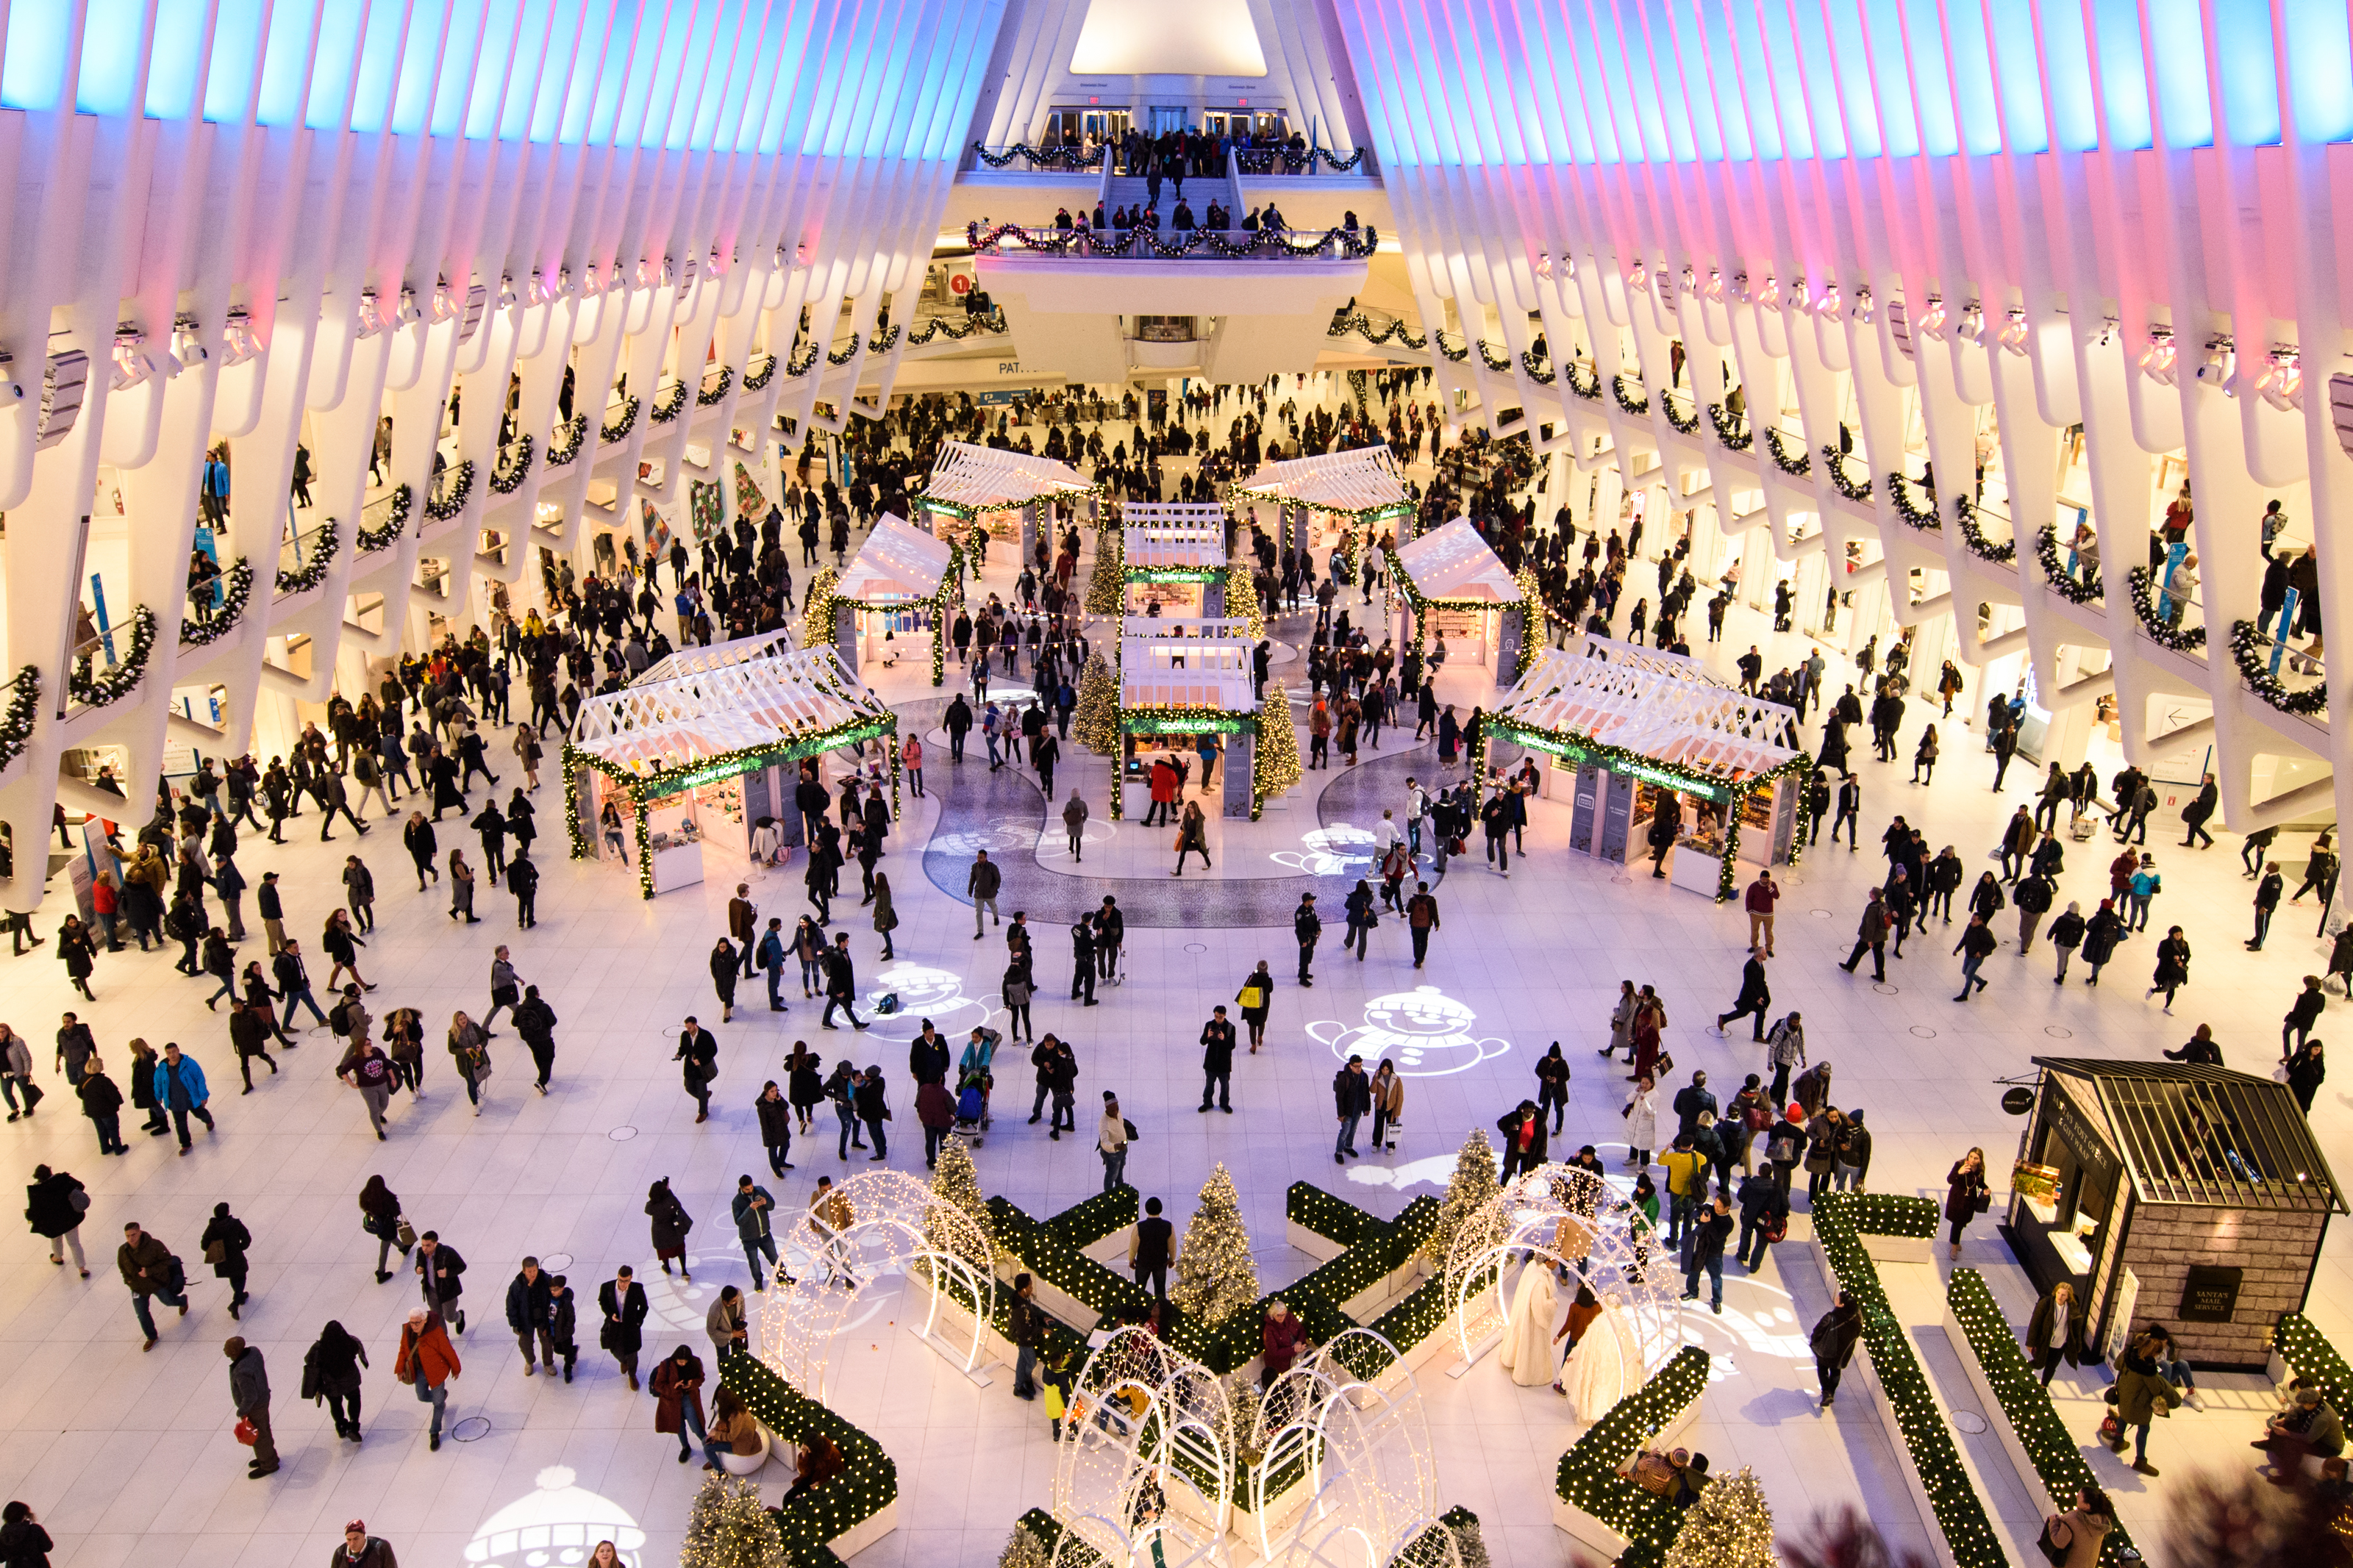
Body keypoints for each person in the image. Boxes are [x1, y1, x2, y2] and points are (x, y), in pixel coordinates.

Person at [2108, 1329, 2181, 1475]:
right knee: (2143, 1429)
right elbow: (2156, 1390)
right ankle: (2140, 1461)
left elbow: (2117, 1365)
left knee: (2123, 1417)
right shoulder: (2148, 1370)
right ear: (2153, 1353)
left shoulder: (2129, 1355)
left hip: (2123, 1397)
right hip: (2138, 1406)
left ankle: (2118, 1441)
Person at [393, 1306, 462, 1451]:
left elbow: (448, 1352)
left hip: (436, 1372)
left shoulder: (436, 1333)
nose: (414, 1326)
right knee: (422, 1395)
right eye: (412, 1323)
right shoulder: (407, 1332)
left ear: (424, 1321)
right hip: (419, 1372)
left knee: (437, 1404)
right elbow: (403, 1350)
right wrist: (400, 1369)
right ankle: (441, 1396)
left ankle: (434, 1432)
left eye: (417, 1323)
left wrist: (456, 1369)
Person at [225, 1336, 279, 1478]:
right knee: (265, 1430)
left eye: (227, 1349)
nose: (224, 1351)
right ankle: (269, 1457)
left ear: (235, 1352)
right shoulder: (254, 1352)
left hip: (255, 1407)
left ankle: (268, 1465)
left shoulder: (241, 1372)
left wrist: (241, 1411)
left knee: (259, 1437)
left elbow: (250, 1397)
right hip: (264, 1397)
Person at [306, 1320, 370, 1441]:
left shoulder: (319, 1348)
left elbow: (309, 1360)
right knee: (354, 1398)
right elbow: (357, 1350)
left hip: (330, 1383)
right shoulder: (349, 1342)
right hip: (350, 1379)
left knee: (335, 1404)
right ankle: (353, 1425)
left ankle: (341, 1425)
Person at [25, 1164, 89, 1277]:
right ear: (50, 1171)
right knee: (74, 1244)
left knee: (55, 1240)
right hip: (70, 1218)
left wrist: (28, 1215)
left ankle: (58, 1257)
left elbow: (34, 1211)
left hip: (51, 1223)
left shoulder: (36, 1191)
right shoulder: (62, 1180)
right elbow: (81, 1187)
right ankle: (82, 1269)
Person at [154, 1041, 216, 1154]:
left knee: (199, 1113)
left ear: (178, 1050)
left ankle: (208, 1120)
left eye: (174, 1051)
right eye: (169, 1053)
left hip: (191, 1098)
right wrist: (158, 1096)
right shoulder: (162, 1068)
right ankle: (186, 1144)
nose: (172, 1055)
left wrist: (203, 1095)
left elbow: (199, 1079)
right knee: (180, 1123)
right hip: (175, 1101)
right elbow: (158, 1083)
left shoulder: (189, 1063)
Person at [651, 1345, 709, 1464]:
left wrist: (692, 1384)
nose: (683, 1364)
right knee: (679, 1427)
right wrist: (674, 1387)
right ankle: (685, 1447)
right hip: (672, 1402)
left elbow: (701, 1378)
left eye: (685, 1361)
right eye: (681, 1361)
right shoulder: (666, 1365)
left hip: (689, 1399)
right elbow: (658, 1385)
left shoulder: (696, 1362)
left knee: (696, 1426)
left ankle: (709, 1446)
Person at [2025, 1281, 2086, 1386]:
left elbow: (2076, 1330)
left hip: (2060, 1344)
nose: (2060, 1297)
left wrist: (2078, 1346)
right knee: (2039, 1363)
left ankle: (2044, 1386)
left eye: (2063, 1295)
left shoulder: (2072, 1309)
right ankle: (2023, 1368)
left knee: (2051, 1367)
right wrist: (2030, 1342)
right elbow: (2035, 1323)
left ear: (2068, 1297)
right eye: (2058, 1293)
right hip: (2045, 1340)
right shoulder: (2046, 1304)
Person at [599, 1267, 649, 1389]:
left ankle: (632, 1375)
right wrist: (611, 1315)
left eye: (626, 1281)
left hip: (631, 1326)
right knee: (615, 1349)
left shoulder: (637, 1289)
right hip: (615, 1326)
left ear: (631, 1278)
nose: (623, 1284)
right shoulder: (607, 1287)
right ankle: (623, 1360)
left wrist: (638, 1322)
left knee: (632, 1353)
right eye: (621, 1280)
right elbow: (603, 1302)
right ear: (618, 1276)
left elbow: (644, 1307)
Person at [202, 1201, 253, 1319]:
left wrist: (216, 1248)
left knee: (233, 1277)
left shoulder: (212, 1227)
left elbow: (204, 1245)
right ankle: (235, 1303)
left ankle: (240, 1297)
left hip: (222, 1260)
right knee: (241, 1277)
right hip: (236, 1256)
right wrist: (240, 1247)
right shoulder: (235, 1224)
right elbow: (246, 1238)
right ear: (227, 1212)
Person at [505, 1256, 555, 1375]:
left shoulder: (546, 1281)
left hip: (543, 1320)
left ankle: (548, 1363)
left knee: (548, 1342)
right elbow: (511, 1307)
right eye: (529, 1271)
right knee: (525, 1344)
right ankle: (530, 1361)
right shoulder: (516, 1286)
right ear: (524, 1271)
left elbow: (554, 1301)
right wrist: (515, 1324)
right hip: (525, 1321)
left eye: (534, 1270)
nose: (533, 1274)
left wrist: (551, 1322)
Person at [415, 1229, 468, 1332]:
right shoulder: (420, 1252)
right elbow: (419, 1263)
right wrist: (418, 1268)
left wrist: (447, 1273)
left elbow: (462, 1266)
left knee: (449, 1317)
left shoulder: (447, 1253)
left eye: (428, 1245)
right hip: (431, 1291)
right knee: (437, 1317)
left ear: (435, 1244)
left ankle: (459, 1317)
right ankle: (444, 1339)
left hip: (447, 1291)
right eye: (423, 1245)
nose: (424, 1248)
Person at [732, 1175, 780, 1290]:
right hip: (749, 1238)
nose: (750, 1190)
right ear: (741, 1188)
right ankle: (758, 1280)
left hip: (765, 1234)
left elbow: (772, 1205)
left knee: (774, 1256)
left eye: (751, 1187)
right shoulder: (737, 1201)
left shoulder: (760, 1190)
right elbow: (739, 1221)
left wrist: (765, 1203)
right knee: (754, 1262)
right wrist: (750, 1209)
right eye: (747, 1189)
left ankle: (783, 1275)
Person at [1713, 948, 1771, 1040]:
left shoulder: (1759, 964)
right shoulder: (1750, 967)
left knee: (1761, 1012)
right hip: (1749, 997)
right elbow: (1749, 984)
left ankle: (1758, 1036)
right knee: (1742, 1012)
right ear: (1759, 955)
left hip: (1758, 995)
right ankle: (1724, 1018)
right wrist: (1757, 997)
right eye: (1764, 953)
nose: (1766, 954)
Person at [1944, 1148, 1989, 1259]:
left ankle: (1955, 1240)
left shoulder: (1980, 1170)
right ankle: (1954, 1246)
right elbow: (1950, 1180)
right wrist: (1959, 1173)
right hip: (1958, 1198)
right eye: (1971, 1157)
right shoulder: (1960, 1165)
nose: (1973, 1160)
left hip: (1970, 1200)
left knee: (1963, 1221)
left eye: (1976, 1158)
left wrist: (1986, 1188)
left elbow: (1980, 1182)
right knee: (1957, 1222)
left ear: (1980, 1160)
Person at [1130, 1197, 1174, 1300]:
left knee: (1139, 1289)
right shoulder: (1168, 1226)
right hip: (1161, 1262)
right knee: (1160, 1290)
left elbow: (1133, 1245)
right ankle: (1160, 1311)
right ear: (1161, 1209)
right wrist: (1171, 1259)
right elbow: (1172, 1244)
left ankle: (1138, 1310)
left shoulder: (1139, 1226)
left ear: (1146, 1209)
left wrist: (1131, 1259)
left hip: (1143, 1262)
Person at [1952, 913, 1996, 1001]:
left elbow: (1993, 944)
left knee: (1969, 975)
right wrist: (1957, 949)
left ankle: (1965, 995)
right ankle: (1982, 982)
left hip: (1977, 958)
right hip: (1969, 954)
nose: (1972, 921)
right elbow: (1965, 938)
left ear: (1980, 921)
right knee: (1965, 971)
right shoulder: (1970, 927)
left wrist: (1981, 952)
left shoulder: (1984, 932)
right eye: (1972, 919)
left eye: (1974, 920)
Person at [1199, 1007, 1235, 1113]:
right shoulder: (1209, 1025)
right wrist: (1207, 1037)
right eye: (1216, 1016)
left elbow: (1232, 1045)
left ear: (1225, 1015)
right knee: (1209, 1085)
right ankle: (1207, 1103)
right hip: (1211, 1063)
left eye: (1220, 1017)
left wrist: (1224, 1038)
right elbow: (1202, 1041)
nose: (1218, 1019)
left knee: (1225, 1087)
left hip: (1224, 1064)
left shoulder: (1230, 1028)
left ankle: (1224, 1104)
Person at [2149, 925, 2192, 1013]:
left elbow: (2188, 955)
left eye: (2180, 935)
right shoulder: (2165, 943)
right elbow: (2160, 955)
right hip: (2166, 969)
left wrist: (2182, 962)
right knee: (2164, 987)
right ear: (2172, 935)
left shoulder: (2184, 944)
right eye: (2177, 935)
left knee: (2172, 987)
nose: (2179, 937)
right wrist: (2172, 957)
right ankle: (2153, 990)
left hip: (2176, 970)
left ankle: (2167, 1006)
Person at [0, 1503, 52, 1568]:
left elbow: (1, 1558)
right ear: (24, 1516)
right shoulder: (34, 1529)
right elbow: (48, 1547)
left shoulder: (3, 1536)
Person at [1238, 961, 1274, 1053]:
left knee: (1252, 1025)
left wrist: (1253, 975)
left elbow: (1245, 986)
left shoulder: (1252, 978)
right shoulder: (1268, 980)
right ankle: (1260, 1038)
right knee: (1262, 1022)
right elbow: (1270, 990)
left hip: (1252, 1005)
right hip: (1263, 1006)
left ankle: (1253, 1046)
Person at [1097, 1092, 1130, 1191]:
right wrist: (1115, 1147)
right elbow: (1104, 1143)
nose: (1116, 1112)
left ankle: (1119, 1189)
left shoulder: (1117, 1111)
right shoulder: (1104, 1123)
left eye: (1117, 1108)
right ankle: (1109, 1195)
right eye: (1112, 1110)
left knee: (1120, 1171)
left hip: (1122, 1149)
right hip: (1112, 1154)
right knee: (1111, 1175)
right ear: (1106, 1109)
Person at [707, 1284, 748, 1362]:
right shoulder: (715, 1311)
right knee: (724, 1358)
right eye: (733, 1301)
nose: (736, 1302)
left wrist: (742, 1317)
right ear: (725, 1302)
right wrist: (732, 1335)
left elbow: (742, 1302)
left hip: (736, 1329)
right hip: (722, 1338)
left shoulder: (738, 1293)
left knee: (738, 1355)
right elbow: (711, 1331)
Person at [329, 1520, 397, 1568]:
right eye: (349, 1540)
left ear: (364, 1536)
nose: (352, 1543)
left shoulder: (381, 1548)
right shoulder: (340, 1553)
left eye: (356, 1539)